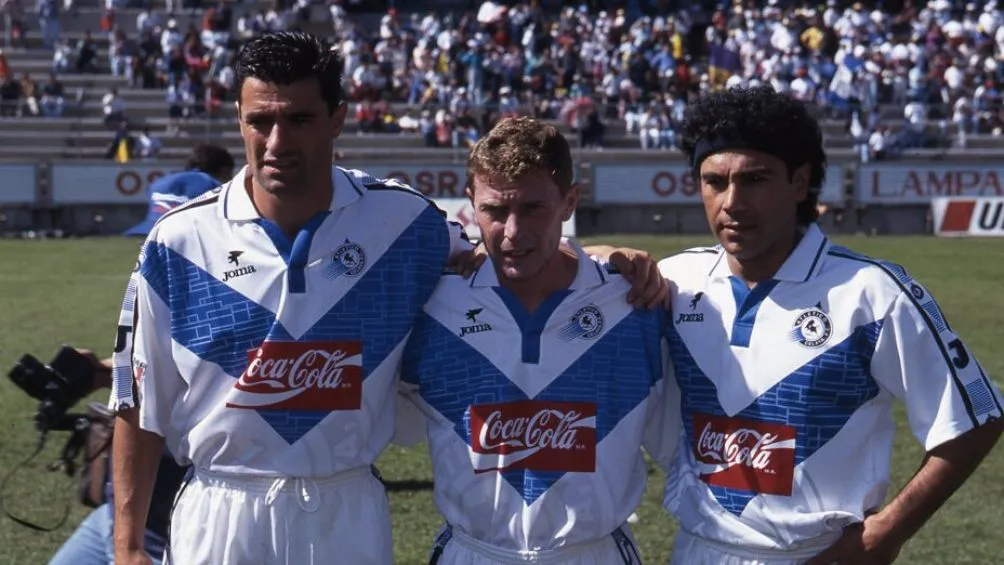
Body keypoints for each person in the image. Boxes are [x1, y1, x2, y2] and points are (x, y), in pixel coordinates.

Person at [109, 31, 666, 565]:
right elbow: (137, 398)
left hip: (345, 504)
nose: (277, 141)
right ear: (239, 120)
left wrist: (601, 256)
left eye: (299, 118)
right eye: (261, 120)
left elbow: (512, 250)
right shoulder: (178, 241)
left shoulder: (406, 224)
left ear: (338, 118)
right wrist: (129, 546)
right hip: (220, 504)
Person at [657, 85, 1004, 565]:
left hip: (819, 555)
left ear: (800, 183)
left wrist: (884, 534)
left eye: (755, 179)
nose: (732, 201)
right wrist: (612, 255)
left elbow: (976, 418)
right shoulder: (673, 279)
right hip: (697, 550)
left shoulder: (872, 292)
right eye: (714, 181)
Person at [398, 117, 678, 564]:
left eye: (533, 208)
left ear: (569, 202)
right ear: (471, 203)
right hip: (473, 554)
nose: (512, 232)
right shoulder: (431, 307)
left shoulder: (635, 303)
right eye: (493, 210)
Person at [50, 145, 234, 565]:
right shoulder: (155, 296)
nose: (155, 255)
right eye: (152, 240)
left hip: (179, 525)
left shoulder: (239, 315)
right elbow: (147, 377)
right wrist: (101, 374)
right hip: (118, 519)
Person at [124, 142, 235, 236]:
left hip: (150, 228)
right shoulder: (215, 186)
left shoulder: (159, 183)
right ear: (224, 170)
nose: (230, 178)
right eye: (229, 174)